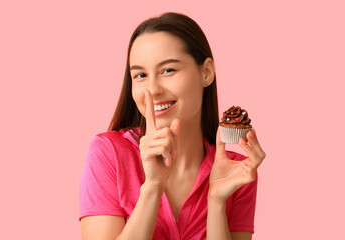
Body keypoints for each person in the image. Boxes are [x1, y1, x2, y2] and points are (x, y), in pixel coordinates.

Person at [79, 12, 266, 240]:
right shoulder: (109, 153)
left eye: (168, 70)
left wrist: (216, 201)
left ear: (206, 72)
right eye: (140, 75)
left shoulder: (236, 171)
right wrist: (153, 187)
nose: (153, 89)